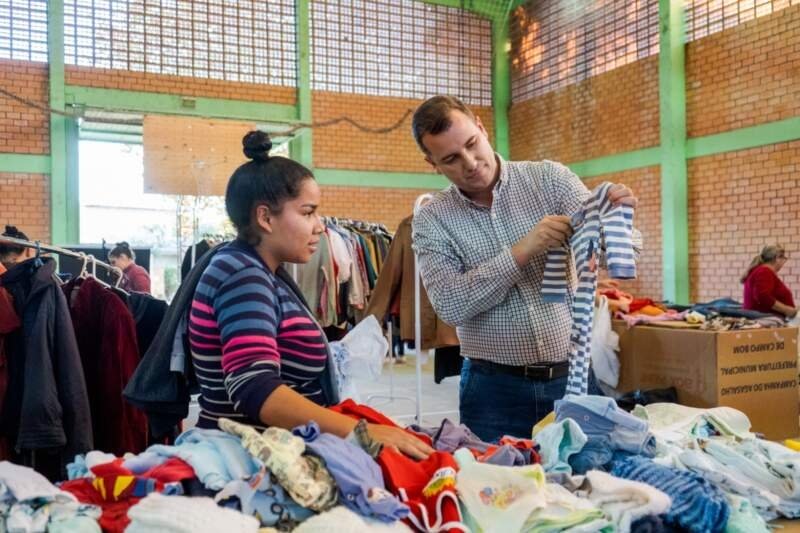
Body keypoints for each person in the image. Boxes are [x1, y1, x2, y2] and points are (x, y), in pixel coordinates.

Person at [188, 130, 433, 460]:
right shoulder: (242, 274)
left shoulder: (256, 270)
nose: (320, 226)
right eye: (307, 212)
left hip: (265, 449)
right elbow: (255, 388)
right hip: (251, 457)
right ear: (265, 217)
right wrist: (361, 431)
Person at [410, 95, 638, 442]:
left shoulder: (549, 180)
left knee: (589, 483)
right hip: (492, 392)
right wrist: (521, 251)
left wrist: (613, 222)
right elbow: (451, 305)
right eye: (451, 159)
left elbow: (618, 253)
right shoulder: (432, 219)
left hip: (573, 377)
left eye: (472, 144)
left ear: (482, 128)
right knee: (499, 486)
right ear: (432, 163)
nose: (470, 163)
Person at [742, 244, 796, 318]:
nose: (784, 262)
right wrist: (786, 310)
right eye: (784, 258)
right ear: (777, 258)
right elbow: (762, 296)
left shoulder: (760, 271)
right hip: (765, 320)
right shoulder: (764, 271)